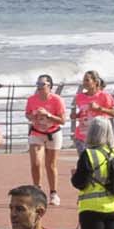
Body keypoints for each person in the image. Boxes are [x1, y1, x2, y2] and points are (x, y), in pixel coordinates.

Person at [23, 74, 68, 202]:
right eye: (37, 84)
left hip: (53, 133)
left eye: (42, 85)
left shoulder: (57, 100)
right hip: (36, 132)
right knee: (36, 163)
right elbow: (27, 114)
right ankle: (37, 190)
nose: (39, 87)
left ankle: (53, 193)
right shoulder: (32, 99)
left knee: (51, 164)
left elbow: (63, 120)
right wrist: (33, 116)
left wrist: (47, 114)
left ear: (50, 86)